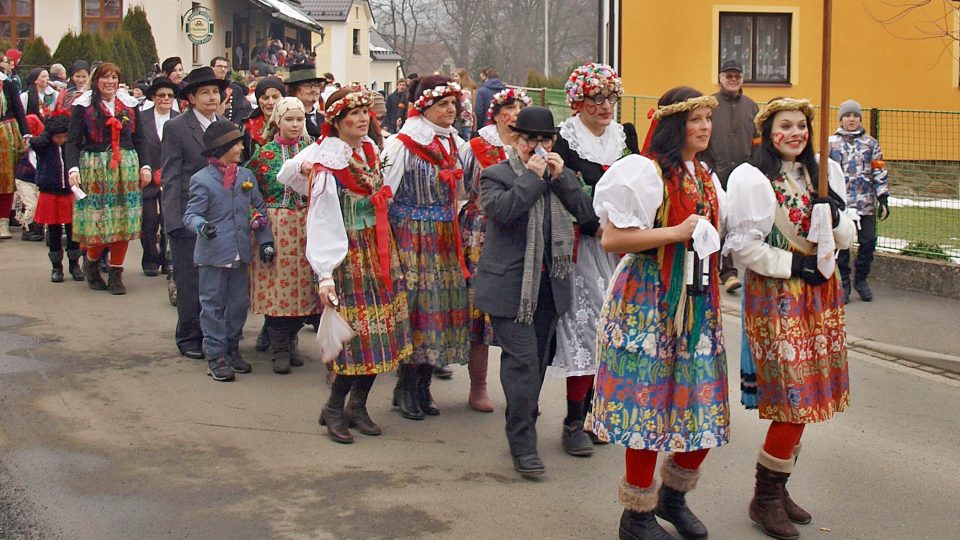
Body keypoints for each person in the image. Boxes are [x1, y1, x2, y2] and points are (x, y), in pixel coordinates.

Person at [591, 87, 728, 540]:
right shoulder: (645, 171)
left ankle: (673, 495)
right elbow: (612, 239)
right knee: (647, 403)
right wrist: (676, 232)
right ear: (674, 125)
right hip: (647, 296)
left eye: (708, 117)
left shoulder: (706, 175)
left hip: (696, 296)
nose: (705, 126)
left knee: (700, 401)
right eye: (695, 119)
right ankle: (636, 514)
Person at [725, 97, 854, 540]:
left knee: (810, 396)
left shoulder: (823, 174)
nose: (796, 133)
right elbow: (743, 248)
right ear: (767, 132)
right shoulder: (754, 180)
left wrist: (833, 217)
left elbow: (847, 236)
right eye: (787, 126)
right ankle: (764, 498)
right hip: (778, 295)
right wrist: (793, 265)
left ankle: (777, 490)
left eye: (802, 125)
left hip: (820, 296)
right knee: (793, 399)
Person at [278, 87, 413, 443]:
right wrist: (324, 274)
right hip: (347, 254)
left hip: (377, 247)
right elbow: (320, 217)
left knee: (380, 334)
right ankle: (335, 406)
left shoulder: (368, 149)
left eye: (365, 112)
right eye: (352, 114)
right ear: (336, 122)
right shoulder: (329, 161)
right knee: (354, 339)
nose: (361, 118)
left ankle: (359, 405)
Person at [474, 106, 596, 479]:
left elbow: (588, 218)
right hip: (511, 287)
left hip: (550, 286)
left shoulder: (562, 177)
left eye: (545, 139)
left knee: (536, 363)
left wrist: (563, 181)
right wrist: (531, 177)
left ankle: (520, 417)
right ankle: (523, 442)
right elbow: (504, 212)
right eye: (530, 139)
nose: (537, 146)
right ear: (516, 140)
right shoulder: (495, 175)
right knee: (523, 362)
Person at [552, 62, 634, 458]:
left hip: (622, 244)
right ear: (577, 102)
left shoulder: (626, 136)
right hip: (584, 245)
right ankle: (573, 420)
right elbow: (564, 190)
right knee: (585, 328)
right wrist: (592, 223)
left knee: (615, 326)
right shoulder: (564, 142)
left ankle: (595, 412)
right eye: (596, 98)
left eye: (611, 96)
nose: (606, 106)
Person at [380, 75, 469, 420]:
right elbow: (384, 192)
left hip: (444, 235)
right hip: (410, 235)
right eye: (442, 104)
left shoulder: (453, 142)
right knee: (415, 308)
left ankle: (424, 383)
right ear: (424, 107)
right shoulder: (403, 143)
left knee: (439, 309)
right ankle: (405, 385)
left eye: (453, 104)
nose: (450, 110)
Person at [183, 119, 274, 382]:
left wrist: (265, 240)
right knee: (212, 305)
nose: (241, 148)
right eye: (236, 144)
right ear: (221, 148)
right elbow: (191, 215)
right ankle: (215, 354)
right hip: (214, 253)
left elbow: (259, 210)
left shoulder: (246, 176)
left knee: (238, 304)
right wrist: (203, 227)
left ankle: (232, 346)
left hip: (240, 251)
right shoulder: (201, 180)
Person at [458, 87, 531, 412]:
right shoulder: (475, 147)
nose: (515, 113)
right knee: (481, 309)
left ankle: (521, 393)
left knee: (520, 313)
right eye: (509, 107)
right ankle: (479, 386)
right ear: (497, 113)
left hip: (519, 230)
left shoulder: (531, 148)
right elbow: (459, 188)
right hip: (480, 233)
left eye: (520, 107)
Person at [245, 97, 320, 374]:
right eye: (289, 119)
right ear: (277, 121)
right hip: (276, 225)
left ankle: (291, 341)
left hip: (304, 224)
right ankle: (279, 347)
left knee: (302, 287)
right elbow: (250, 187)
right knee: (277, 286)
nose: (295, 124)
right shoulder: (265, 154)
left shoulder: (311, 151)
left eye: (299, 119)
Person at [161, 66, 229, 360]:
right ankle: (188, 335)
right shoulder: (177, 127)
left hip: (221, 214)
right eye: (205, 92)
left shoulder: (225, 124)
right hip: (189, 213)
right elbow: (171, 175)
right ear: (191, 97)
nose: (212, 97)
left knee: (217, 280)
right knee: (189, 279)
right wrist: (173, 220)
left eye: (216, 92)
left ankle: (216, 333)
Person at [65, 63, 149, 295]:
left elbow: (140, 138)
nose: (110, 81)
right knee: (100, 222)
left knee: (123, 222)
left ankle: (116, 273)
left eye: (114, 77)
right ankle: (92, 263)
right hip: (95, 167)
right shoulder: (83, 105)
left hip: (126, 166)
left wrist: (146, 165)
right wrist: (72, 169)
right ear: (96, 81)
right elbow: (72, 141)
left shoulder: (129, 104)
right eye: (105, 77)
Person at [829, 99, 889, 303]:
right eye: (847, 116)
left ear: (860, 118)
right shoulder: (831, 143)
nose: (851, 119)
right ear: (841, 119)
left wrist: (883, 196)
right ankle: (843, 282)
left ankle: (861, 279)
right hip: (842, 205)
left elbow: (879, 170)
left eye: (855, 115)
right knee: (843, 245)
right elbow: (825, 172)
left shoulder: (871, 144)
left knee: (868, 242)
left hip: (865, 204)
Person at [709, 59, 759, 294]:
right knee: (719, 221)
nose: (732, 79)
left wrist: (757, 168)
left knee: (742, 221)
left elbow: (757, 142)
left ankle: (751, 268)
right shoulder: (710, 105)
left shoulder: (751, 107)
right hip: (715, 172)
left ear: (742, 79)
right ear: (720, 78)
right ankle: (726, 272)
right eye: (728, 75)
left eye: (737, 76)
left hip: (743, 174)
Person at [32, 113, 83, 282]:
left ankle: (74, 264)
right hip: (50, 192)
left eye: (65, 136)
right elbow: (35, 142)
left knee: (73, 232)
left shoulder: (71, 147)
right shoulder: (44, 145)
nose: (62, 140)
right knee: (53, 232)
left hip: (70, 192)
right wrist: (49, 133)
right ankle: (56, 267)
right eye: (58, 137)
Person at [138, 77, 180, 276]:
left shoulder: (180, 118)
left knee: (168, 219)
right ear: (154, 97)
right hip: (147, 175)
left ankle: (166, 257)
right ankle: (149, 258)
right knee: (148, 220)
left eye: (170, 96)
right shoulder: (141, 117)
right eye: (161, 95)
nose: (166, 99)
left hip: (171, 177)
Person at [0, 61, 29, 240]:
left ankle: (3, 221)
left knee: (5, 180)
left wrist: (26, 134)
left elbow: (19, 110)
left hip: (5, 134)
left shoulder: (7, 84)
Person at [14, 114, 45, 241]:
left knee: (39, 206)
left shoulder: (42, 145)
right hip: (24, 180)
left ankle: (38, 228)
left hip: (37, 181)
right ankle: (28, 229)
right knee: (32, 205)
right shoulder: (23, 146)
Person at [242, 77, 285, 161]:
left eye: (275, 97)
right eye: (265, 98)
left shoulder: (293, 123)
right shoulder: (247, 127)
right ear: (258, 101)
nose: (270, 102)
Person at [286, 64, 325, 139]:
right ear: (294, 89)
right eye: (307, 85)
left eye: (316, 85)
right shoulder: (287, 118)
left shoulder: (324, 119)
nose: (313, 89)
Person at [210, 56, 253, 125]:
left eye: (225, 67)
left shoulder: (235, 89)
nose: (223, 69)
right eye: (219, 66)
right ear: (212, 68)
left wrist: (236, 123)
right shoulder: (206, 88)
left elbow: (243, 108)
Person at [452, 68, 477, 140]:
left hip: (464, 124)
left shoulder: (465, 92)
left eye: (456, 76)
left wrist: (457, 117)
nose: (454, 78)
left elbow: (467, 108)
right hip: (464, 123)